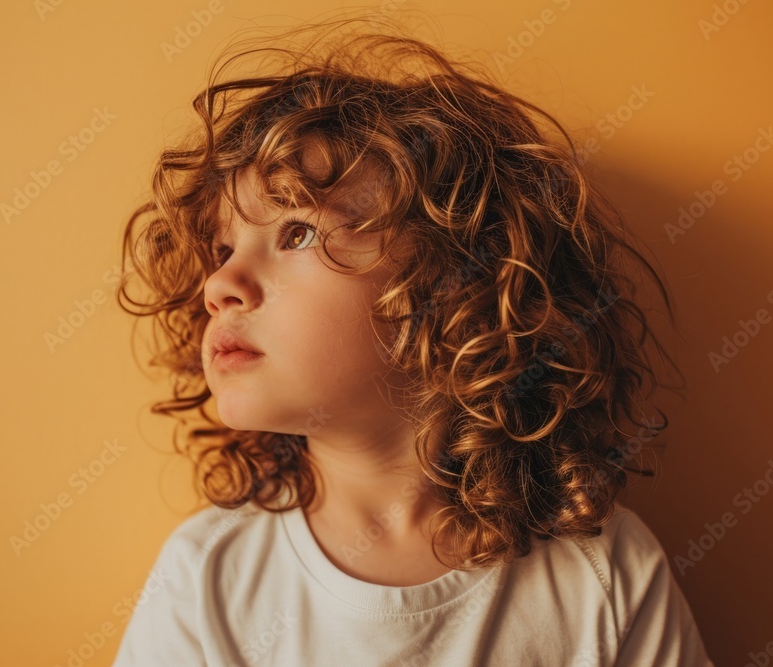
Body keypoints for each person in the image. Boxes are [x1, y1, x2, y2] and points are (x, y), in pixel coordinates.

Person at [111, 13, 714, 666]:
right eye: (223, 248)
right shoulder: (206, 577)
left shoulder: (606, 574)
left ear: (453, 286)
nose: (221, 283)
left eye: (296, 233)